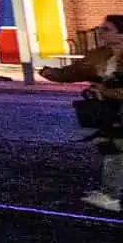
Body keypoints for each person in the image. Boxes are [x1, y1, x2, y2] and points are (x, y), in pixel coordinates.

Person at [40, 13, 123, 211]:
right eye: (100, 29)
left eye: (107, 29)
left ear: (121, 34)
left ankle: (110, 195)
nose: (100, 32)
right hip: (111, 113)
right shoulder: (101, 55)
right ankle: (110, 192)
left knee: (114, 151)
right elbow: (77, 71)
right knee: (109, 147)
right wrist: (52, 74)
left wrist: (105, 91)